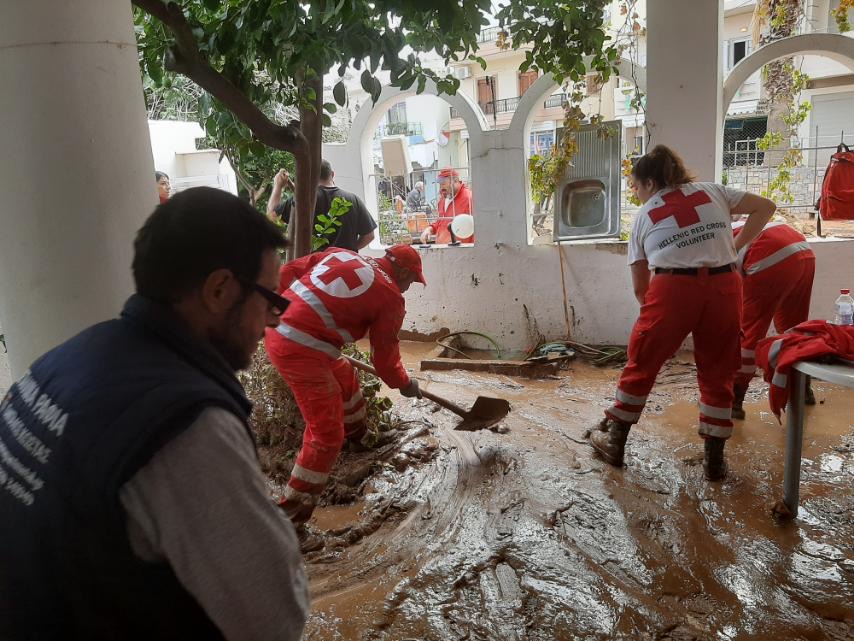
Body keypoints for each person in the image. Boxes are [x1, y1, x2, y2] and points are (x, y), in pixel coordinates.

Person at [0, 188, 308, 641]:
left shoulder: (64, 360)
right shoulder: (185, 427)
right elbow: (274, 618)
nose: (274, 321)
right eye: (269, 299)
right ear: (219, 290)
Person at [589, 145, 775, 481]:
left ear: (648, 182)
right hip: (724, 286)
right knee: (720, 369)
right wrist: (735, 246)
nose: (636, 193)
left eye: (636, 186)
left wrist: (658, 330)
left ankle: (615, 442)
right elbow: (766, 207)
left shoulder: (645, 216)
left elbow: (640, 288)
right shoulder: (712, 191)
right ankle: (714, 462)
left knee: (641, 363)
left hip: (672, 288)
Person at [264, 244, 426, 543]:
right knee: (325, 434)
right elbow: (385, 360)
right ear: (402, 272)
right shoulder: (391, 297)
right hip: (301, 348)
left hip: (288, 333)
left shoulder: (343, 254)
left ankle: (359, 439)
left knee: (345, 377)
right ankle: (288, 523)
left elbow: (288, 272)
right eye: (411, 280)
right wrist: (405, 383)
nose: (408, 287)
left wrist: (276, 310)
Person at [731, 220, 816, 419]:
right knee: (794, 328)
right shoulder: (725, 227)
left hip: (767, 254)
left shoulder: (701, 252)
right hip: (803, 250)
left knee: (748, 332)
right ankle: (803, 389)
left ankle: (734, 398)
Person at [267, 160, 377, 252]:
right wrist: (349, 251)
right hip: (349, 266)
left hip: (316, 269)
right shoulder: (353, 200)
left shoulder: (304, 200)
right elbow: (369, 235)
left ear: (310, 177)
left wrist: (278, 186)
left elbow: (272, 217)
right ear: (332, 174)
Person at [419, 168, 474, 244]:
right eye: (439, 184)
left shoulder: (469, 199)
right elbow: (440, 222)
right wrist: (429, 229)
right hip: (443, 250)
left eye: (443, 183)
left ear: (455, 180)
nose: (441, 188)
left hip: (462, 251)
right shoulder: (443, 199)